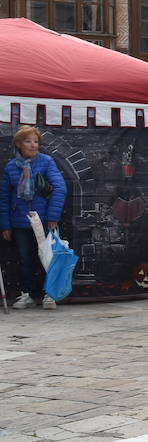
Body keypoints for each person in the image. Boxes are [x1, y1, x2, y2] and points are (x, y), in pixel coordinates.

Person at [1, 125, 68, 310]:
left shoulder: (46, 162)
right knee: (25, 259)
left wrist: (53, 216)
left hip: (44, 219)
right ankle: (27, 294)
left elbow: (60, 188)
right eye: (28, 141)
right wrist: (5, 225)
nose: (33, 145)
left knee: (48, 257)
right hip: (20, 221)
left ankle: (50, 294)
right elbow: (4, 197)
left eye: (36, 141)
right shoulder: (10, 167)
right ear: (18, 144)